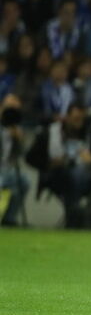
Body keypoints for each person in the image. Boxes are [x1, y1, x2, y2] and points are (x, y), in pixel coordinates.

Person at [25, 102, 91, 228]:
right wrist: (50, 164)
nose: (79, 122)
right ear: (67, 116)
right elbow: (30, 157)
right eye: (76, 119)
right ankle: (75, 217)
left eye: (82, 119)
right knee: (76, 174)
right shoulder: (50, 133)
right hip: (60, 177)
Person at [0, 94, 29, 225]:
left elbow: (22, 154)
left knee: (23, 182)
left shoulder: (16, 129)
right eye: (9, 108)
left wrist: (19, 139)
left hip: (7, 169)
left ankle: (9, 219)